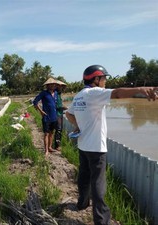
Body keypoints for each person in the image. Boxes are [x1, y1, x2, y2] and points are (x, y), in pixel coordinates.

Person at [65, 65, 157, 225]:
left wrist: (78, 126)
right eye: (104, 78)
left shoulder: (79, 95)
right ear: (96, 79)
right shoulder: (94, 93)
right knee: (98, 184)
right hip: (96, 148)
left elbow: (68, 113)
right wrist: (142, 89)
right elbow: (118, 93)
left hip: (83, 145)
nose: (105, 82)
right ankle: (101, 221)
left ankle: (82, 203)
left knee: (84, 176)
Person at [33, 77, 59, 156]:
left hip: (54, 117)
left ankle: (50, 147)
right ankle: (46, 150)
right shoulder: (43, 93)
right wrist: (41, 111)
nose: (53, 85)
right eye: (51, 84)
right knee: (46, 134)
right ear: (47, 85)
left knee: (52, 133)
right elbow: (35, 102)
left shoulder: (56, 93)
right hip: (46, 117)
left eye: (54, 84)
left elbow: (55, 104)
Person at [54, 80, 68, 151]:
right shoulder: (55, 93)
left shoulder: (59, 94)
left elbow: (59, 104)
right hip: (57, 113)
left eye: (62, 86)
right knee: (58, 129)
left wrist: (63, 107)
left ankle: (58, 144)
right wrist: (63, 107)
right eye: (59, 86)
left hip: (60, 113)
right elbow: (54, 105)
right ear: (56, 86)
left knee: (60, 129)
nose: (61, 87)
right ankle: (57, 146)